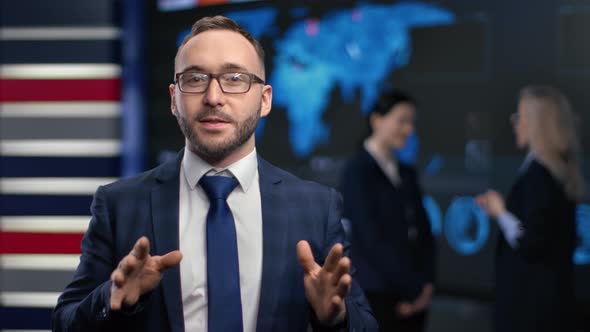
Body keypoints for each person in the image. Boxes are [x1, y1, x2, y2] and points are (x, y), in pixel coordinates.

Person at [52, 15, 377, 332]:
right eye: (194, 79)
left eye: (234, 79)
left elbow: (365, 323)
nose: (213, 97)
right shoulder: (119, 204)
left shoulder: (316, 206)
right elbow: (65, 323)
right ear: (174, 100)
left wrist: (334, 319)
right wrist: (111, 299)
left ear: (264, 100)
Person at [476, 85, 584, 332]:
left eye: (519, 117)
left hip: (531, 309)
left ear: (537, 124)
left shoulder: (540, 174)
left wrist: (501, 212)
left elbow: (532, 242)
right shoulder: (554, 172)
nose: (514, 123)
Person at [339, 89, 435, 332]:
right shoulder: (357, 171)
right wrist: (411, 287)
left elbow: (423, 231)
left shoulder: (406, 171)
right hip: (376, 294)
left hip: (414, 294)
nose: (408, 129)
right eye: (401, 121)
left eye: (411, 122)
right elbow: (369, 237)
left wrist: (426, 284)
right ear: (377, 119)